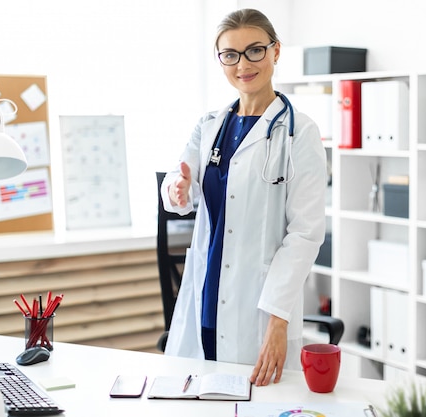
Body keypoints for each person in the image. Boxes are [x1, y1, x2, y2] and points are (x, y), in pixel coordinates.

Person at [159, 8, 327, 387]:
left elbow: (304, 235)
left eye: (254, 50)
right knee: (199, 397)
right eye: (230, 54)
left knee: (256, 401)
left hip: (260, 305)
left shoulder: (299, 134)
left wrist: (278, 320)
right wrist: (177, 189)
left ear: (275, 51)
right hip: (206, 290)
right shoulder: (209, 126)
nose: (242, 64)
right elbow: (180, 184)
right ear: (220, 60)